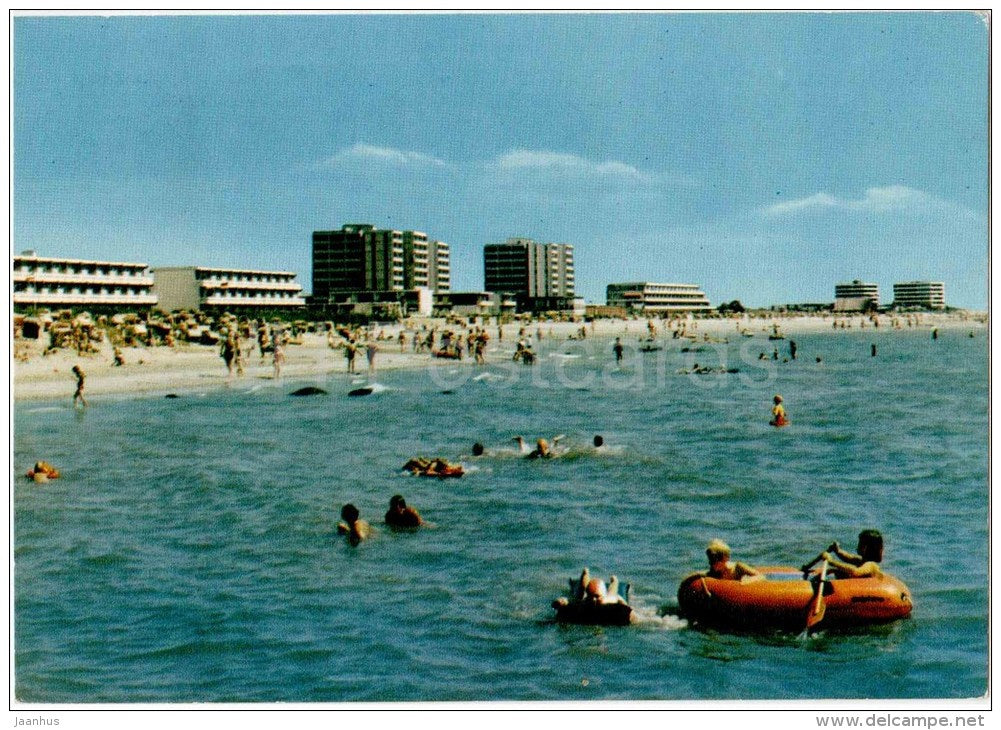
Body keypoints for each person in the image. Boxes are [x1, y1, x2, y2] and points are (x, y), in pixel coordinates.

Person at [802, 529, 884, 579]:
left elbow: (855, 571)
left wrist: (831, 561)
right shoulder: (862, 561)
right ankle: (805, 569)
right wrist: (837, 550)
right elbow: (848, 557)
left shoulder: (871, 565)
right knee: (833, 571)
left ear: (865, 548)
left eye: (860, 543)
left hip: (860, 593)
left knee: (834, 570)